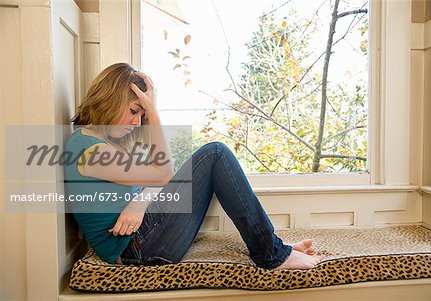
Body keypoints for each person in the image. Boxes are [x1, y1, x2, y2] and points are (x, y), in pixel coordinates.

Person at [64, 62, 323, 270]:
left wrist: (139, 202)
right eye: (134, 110)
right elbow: (162, 174)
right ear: (110, 98)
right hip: (136, 249)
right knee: (215, 153)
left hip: (142, 239)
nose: (136, 122)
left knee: (214, 153)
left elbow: (156, 182)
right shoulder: (89, 151)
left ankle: (273, 247)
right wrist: (153, 112)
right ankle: (272, 254)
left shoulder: (101, 142)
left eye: (141, 115)